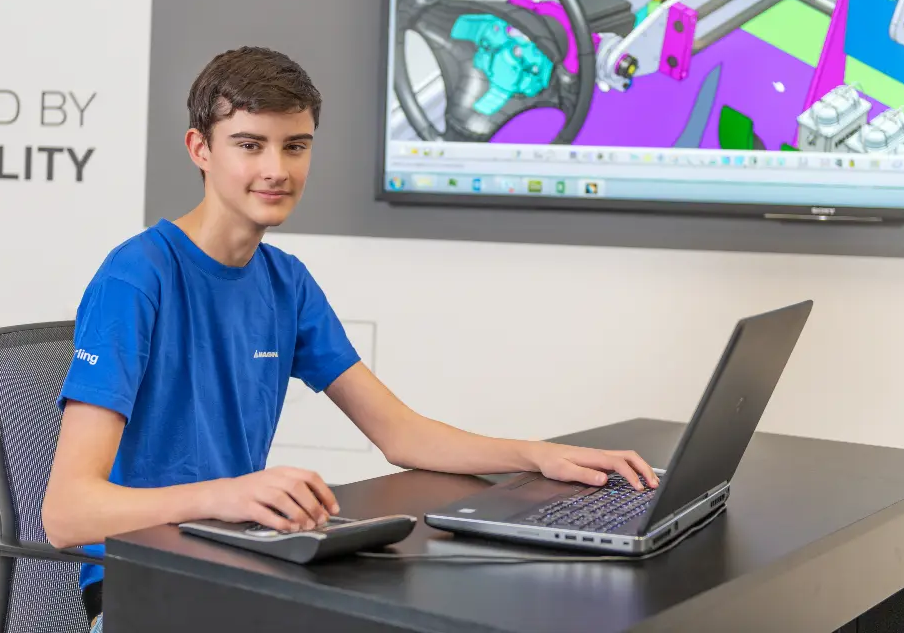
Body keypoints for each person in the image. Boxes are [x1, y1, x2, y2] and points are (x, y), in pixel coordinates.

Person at [41, 46, 659, 632]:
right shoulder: (136, 277)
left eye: (296, 146)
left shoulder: (286, 282)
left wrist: (537, 455)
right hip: (142, 591)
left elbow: (400, 434)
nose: (276, 169)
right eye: (250, 145)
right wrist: (231, 495)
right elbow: (67, 514)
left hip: (236, 571)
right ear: (199, 148)